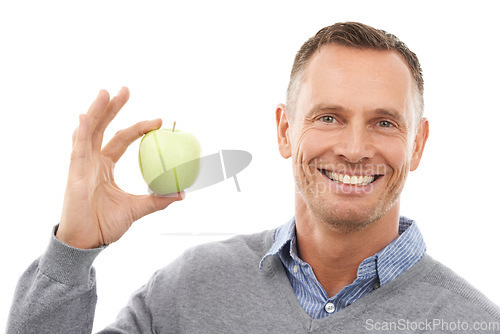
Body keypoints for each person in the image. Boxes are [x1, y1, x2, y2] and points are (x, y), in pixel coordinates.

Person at [7, 22, 500, 333]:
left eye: (384, 122)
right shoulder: (190, 289)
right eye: (328, 117)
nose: (353, 148)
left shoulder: (473, 324)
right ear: (285, 131)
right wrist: (72, 252)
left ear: (417, 144)